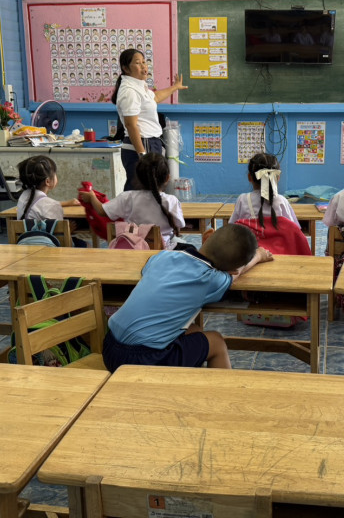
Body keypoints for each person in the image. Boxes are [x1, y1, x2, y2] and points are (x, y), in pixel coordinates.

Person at [101, 223, 273, 372]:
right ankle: (221, 396)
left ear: (207, 236)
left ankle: (184, 382)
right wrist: (258, 256)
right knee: (216, 342)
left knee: (195, 331)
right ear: (233, 270)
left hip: (110, 346)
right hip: (144, 359)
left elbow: (147, 269)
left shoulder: (164, 256)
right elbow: (236, 274)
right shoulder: (210, 279)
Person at [80, 153, 191, 251]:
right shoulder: (171, 200)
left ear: (138, 176)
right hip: (162, 252)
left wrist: (92, 197)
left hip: (132, 250)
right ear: (167, 178)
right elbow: (180, 224)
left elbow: (101, 211)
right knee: (189, 248)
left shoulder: (127, 197)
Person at [111, 48, 187, 190]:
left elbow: (155, 97)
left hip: (151, 142)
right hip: (142, 143)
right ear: (126, 68)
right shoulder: (129, 91)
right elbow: (131, 125)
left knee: (151, 188)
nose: (143, 66)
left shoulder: (139, 86)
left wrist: (175, 87)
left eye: (144, 62)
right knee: (139, 190)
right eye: (137, 63)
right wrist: (142, 154)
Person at [16, 155, 84, 245]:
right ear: (47, 181)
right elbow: (60, 238)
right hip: (47, 247)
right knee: (86, 245)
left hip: (24, 245)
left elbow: (39, 205)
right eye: (55, 173)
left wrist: (67, 203)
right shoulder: (52, 205)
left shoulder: (23, 197)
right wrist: (68, 229)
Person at [229, 152, 299, 229]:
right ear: (278, 178)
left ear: (249, 177)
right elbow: (294, 228)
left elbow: (232, 227)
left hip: (249, 237)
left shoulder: (242, 200)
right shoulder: (282, 201)